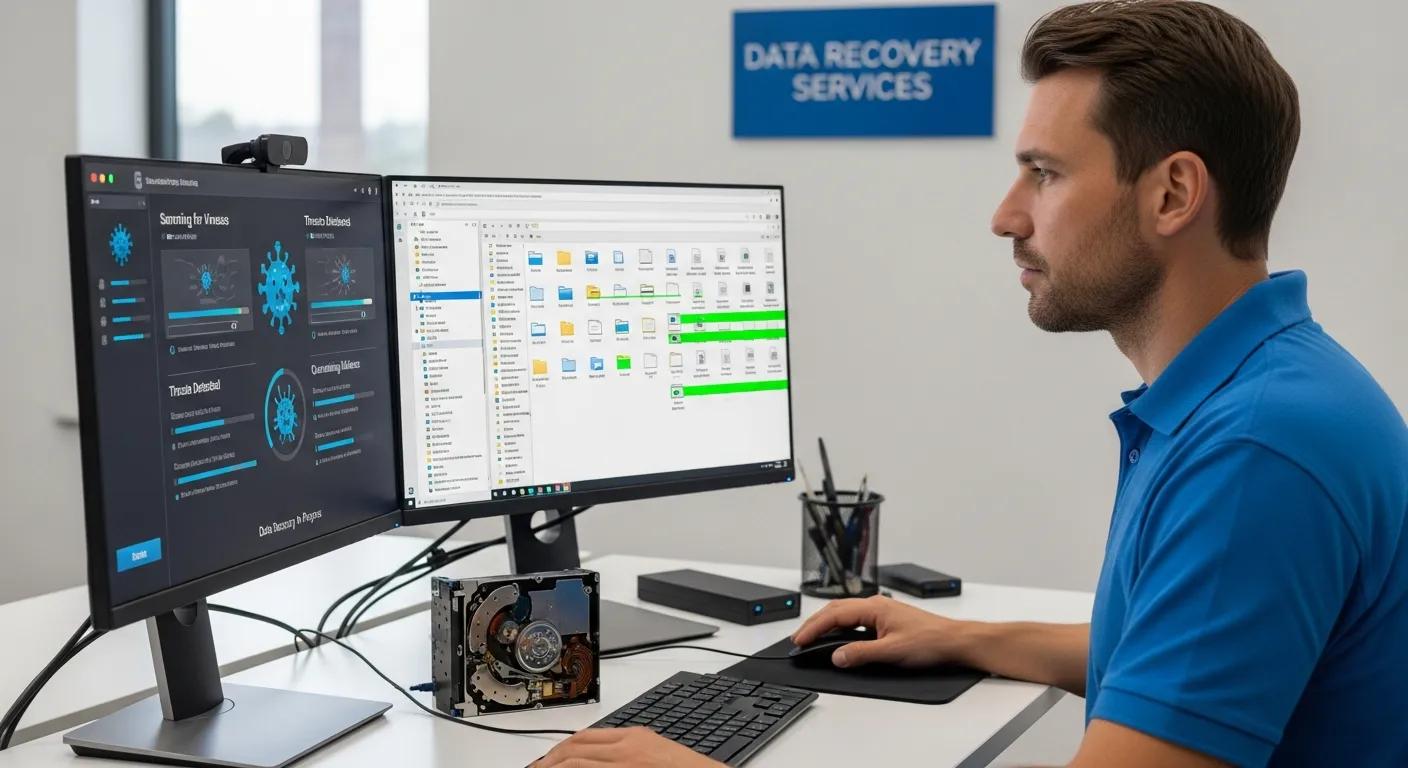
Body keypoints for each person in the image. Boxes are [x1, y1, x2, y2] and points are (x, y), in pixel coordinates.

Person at [535, 1, 1408, 765]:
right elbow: (1179, 646)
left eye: (1046, 173)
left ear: (1174, 194)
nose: (1007, 216)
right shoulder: (1269, 389)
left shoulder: (1258, 450)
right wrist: (972, 639)